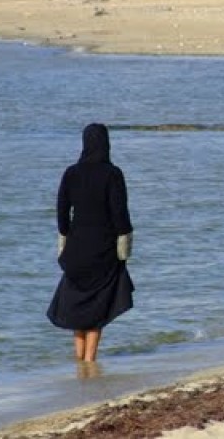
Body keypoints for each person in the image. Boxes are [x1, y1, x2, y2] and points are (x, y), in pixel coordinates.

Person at [47, 123, 135, 362]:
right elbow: (120, 214)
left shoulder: (71, 173)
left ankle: (80, 361)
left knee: (77, 304)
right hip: (103, 249)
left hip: (76, 249)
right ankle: (89, 361)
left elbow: (62, 213)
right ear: (106, 144)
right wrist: (125, 248)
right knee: (98, 306)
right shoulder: (113, 174)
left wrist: (65, 241)